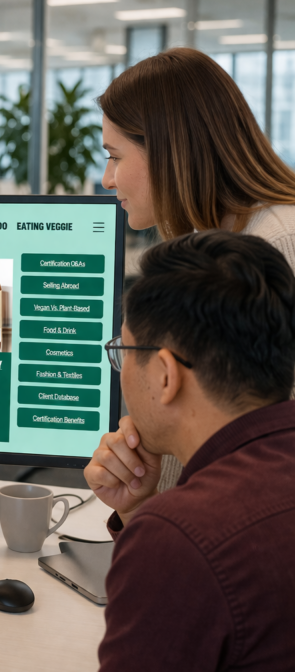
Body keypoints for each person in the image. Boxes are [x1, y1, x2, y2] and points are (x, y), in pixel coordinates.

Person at [84, 231, 295, 671]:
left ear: (166, 374)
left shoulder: (181, 538)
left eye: (124, 351)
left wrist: (158, 529)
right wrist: (139, 509)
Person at [98, 47, 295, 489]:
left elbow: (269, 456)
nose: (108, 178)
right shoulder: (209, 240)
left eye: (115, 156)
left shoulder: (278, 246)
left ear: (167, 152)